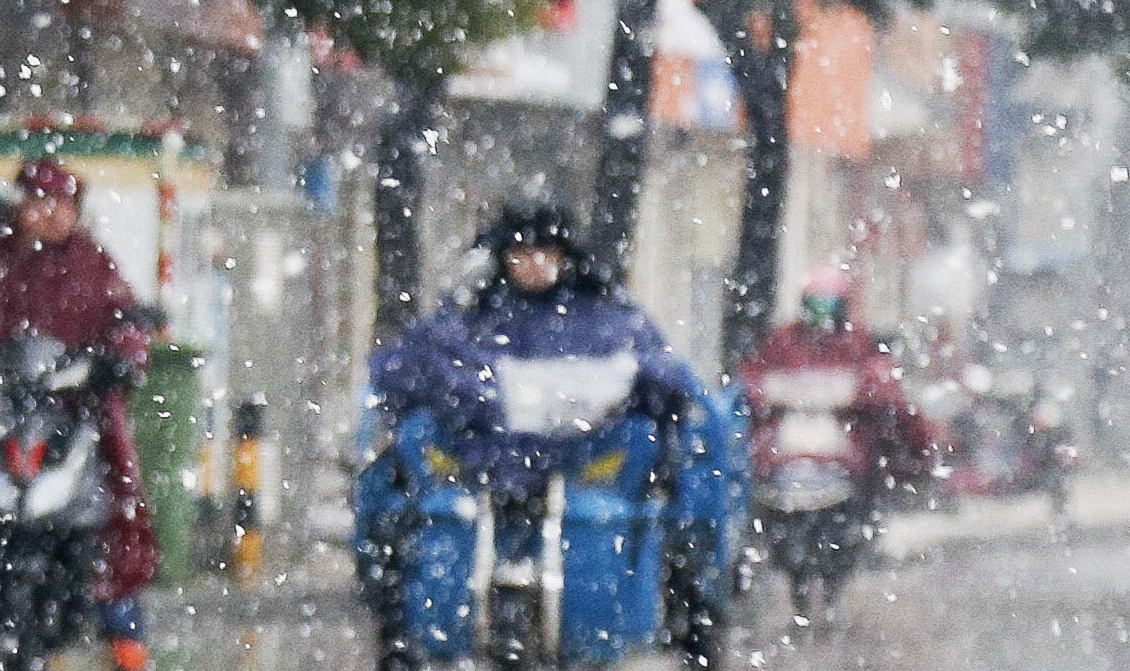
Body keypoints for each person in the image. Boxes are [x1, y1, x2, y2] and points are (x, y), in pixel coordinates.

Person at [0, 154, 163, 671]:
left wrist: (115, 360)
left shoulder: (95, 267)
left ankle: (125, 630)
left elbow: (124, 323)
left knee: (117, 507)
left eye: (60, 203)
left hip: (76, 420)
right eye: (37, 201)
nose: (47, 213)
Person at [367, 199, 716, 507]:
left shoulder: (604, 317)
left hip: (585, 476)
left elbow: (663, 375)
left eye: (546, 253)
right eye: (521, 253)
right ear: (503, 258)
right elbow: (410, 369)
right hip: (480, 477)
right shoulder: (473, 317)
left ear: (564, 257)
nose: (534, 263)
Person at [737, 285, 936, 501]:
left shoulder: (856, 342)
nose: (822, 316)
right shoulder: (784, 341)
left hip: (840, 447)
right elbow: (752, 381)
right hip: (789, 444)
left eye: (829, 306)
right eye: (816, 306)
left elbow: (887, 398)